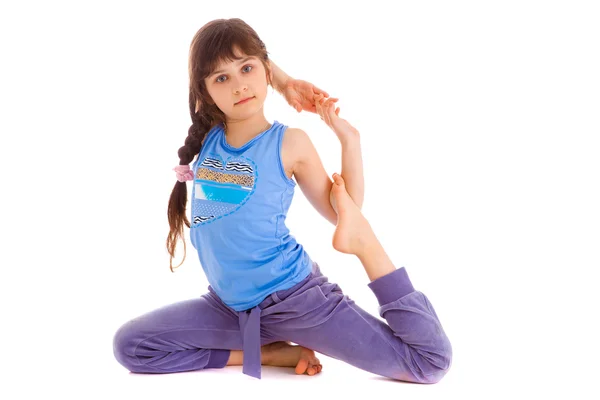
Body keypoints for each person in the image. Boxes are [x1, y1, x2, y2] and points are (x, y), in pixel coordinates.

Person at [113, 18, 452, 384]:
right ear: (207, 91)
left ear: (263, 67)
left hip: (296, 302)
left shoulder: (289, 143)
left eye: (247, 69)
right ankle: (267, 351)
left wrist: (348, 141)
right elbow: (217, 63)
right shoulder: (209, 133)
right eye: (221, 79)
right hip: (229, 306)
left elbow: (345, 212)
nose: (239, 85)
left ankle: (368, 248)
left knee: (428, 362)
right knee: (130, 345)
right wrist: (281, 80)